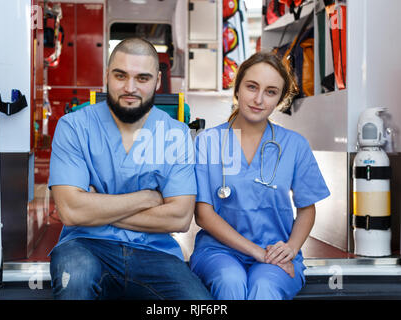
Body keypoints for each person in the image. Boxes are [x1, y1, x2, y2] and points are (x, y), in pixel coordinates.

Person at [48, 37, 212, 300]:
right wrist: (148, 198)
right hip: (85, 246)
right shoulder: (73, 127)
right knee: (75, 279)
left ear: (157, 81)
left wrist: (93, 204)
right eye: (120, 75)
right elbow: (70, 212)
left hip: (155, 252)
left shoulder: (176, 134)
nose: (130, 87)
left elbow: (179, 219)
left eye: (143, 78)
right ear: (107, 76)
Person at [189, 52, 330, 300]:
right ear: (238, 88)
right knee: (230, 281)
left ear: (280, 99)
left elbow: (307, 208)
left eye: (271, 92)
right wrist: (257, 252)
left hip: (275, 252)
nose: (258, 99)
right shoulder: (207, 143)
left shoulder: (294, 145)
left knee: (264, 287)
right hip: (218, 252)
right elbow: (203, 214)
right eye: (251, 87)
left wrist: (291, 248)